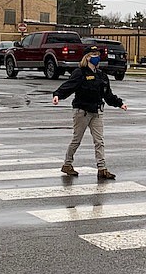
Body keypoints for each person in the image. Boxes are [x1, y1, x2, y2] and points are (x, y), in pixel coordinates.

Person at [52, 45, 127, 180]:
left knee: (99, 141)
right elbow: (69, 86)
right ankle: (67, 164)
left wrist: (119, 103)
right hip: (82, 112)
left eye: (97, 54)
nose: (96, 57)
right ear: (87, 58)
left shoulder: (101, 75)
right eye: (93, 55)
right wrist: (58, 95)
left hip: (97, 111)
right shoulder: (80, 73)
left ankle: (102, 169)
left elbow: (107, 95)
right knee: (76, 140)